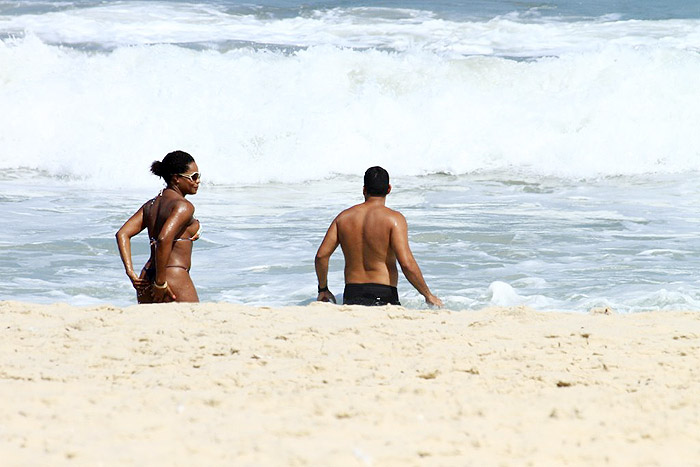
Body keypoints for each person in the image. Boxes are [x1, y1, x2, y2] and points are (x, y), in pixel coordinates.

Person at [315, 166, 443, 307]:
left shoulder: (343, 218)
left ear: (364, 189)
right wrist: (428, 295)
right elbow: (406, 263)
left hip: (352, 294)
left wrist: (323, 289)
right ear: (389, 189)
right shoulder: (394, 219)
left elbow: (322, 255)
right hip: (383, 295)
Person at [116, 150, 201, 303]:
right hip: (172, 275)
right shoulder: (183, 206)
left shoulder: (151, 205)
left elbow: (122, 234)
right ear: (176, 178)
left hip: (146, 276)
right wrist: (160, 283)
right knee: (194, 322)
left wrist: (130, 272)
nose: (198, 181)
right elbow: (163, 238)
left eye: (198, 176)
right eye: (193, 177)